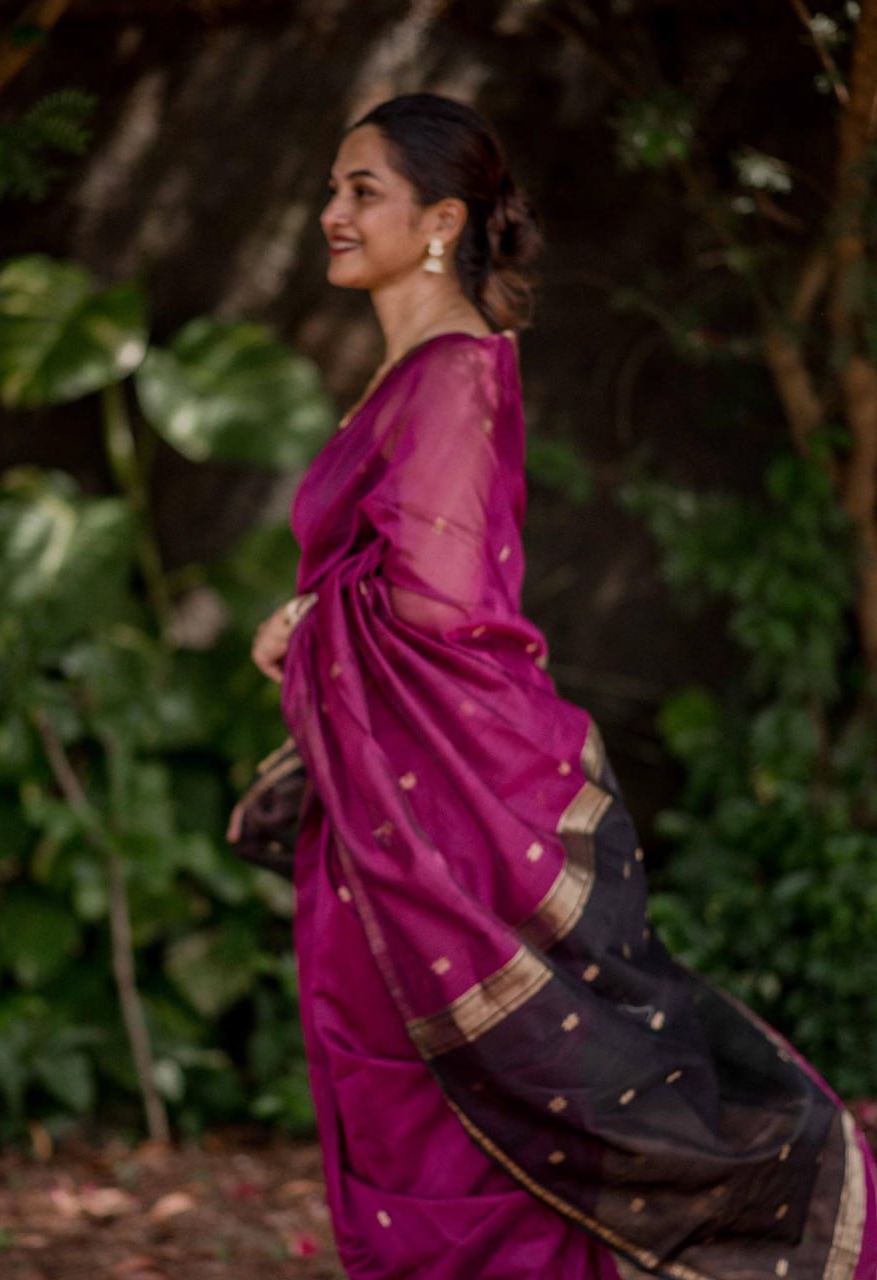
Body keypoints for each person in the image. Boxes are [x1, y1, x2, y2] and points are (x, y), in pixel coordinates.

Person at [239, 93, 877, 1280]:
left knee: (464, 1138)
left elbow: (437, 609)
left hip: (442, 833)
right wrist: (316, 612)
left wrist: (311, 615)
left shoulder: (448, 378)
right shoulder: (427, 372)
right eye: (330, 189)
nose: (328, 212)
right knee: (433, 1128)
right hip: (392, 819)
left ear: (440, 221)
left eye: (357, 191)